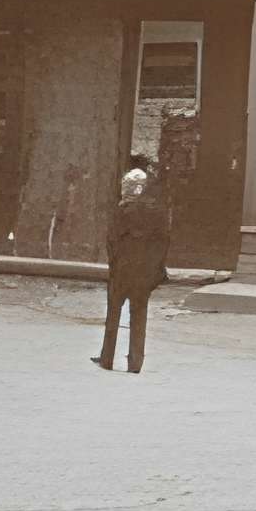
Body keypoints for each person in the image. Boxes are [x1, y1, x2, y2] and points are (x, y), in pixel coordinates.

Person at [94, 156, 172, 374]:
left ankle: (106, 357)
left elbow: (111, 242)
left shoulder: (121, 212)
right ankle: (135, 361)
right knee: (139, 315)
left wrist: (115, 264)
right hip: (144, 273)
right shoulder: (157, 214)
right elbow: (163, 243)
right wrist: (155, 269)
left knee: (113, 314)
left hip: (122, 271)